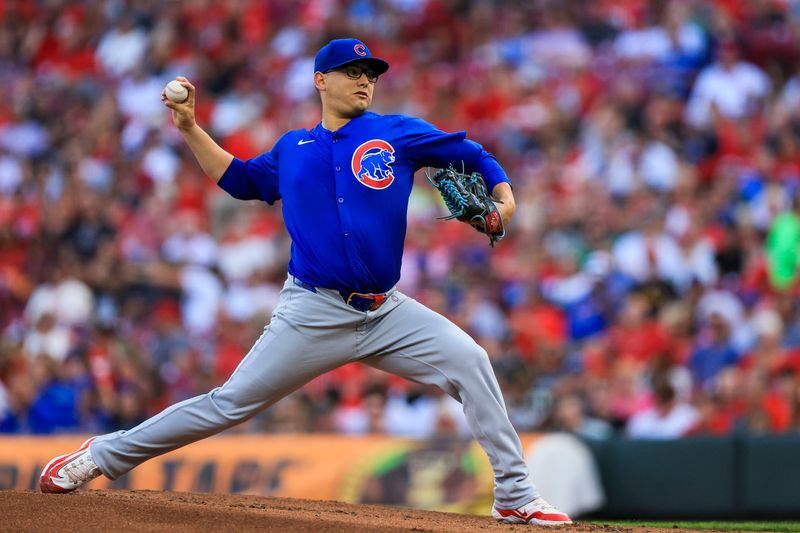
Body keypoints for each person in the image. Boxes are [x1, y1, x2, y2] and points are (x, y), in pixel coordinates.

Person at [39, 38, 571, 526]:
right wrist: (189, 129)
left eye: (371, 73)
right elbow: (242, 180)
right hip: (312, 311)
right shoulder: (293, 148)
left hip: (386, 311)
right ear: (321, 80)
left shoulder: (397, 132)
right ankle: (97, 457)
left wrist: (504, 199)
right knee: (229, 404)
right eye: (351, 72)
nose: (365, 80)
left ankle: (514, 494)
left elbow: (472, 154)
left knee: (471, 361)